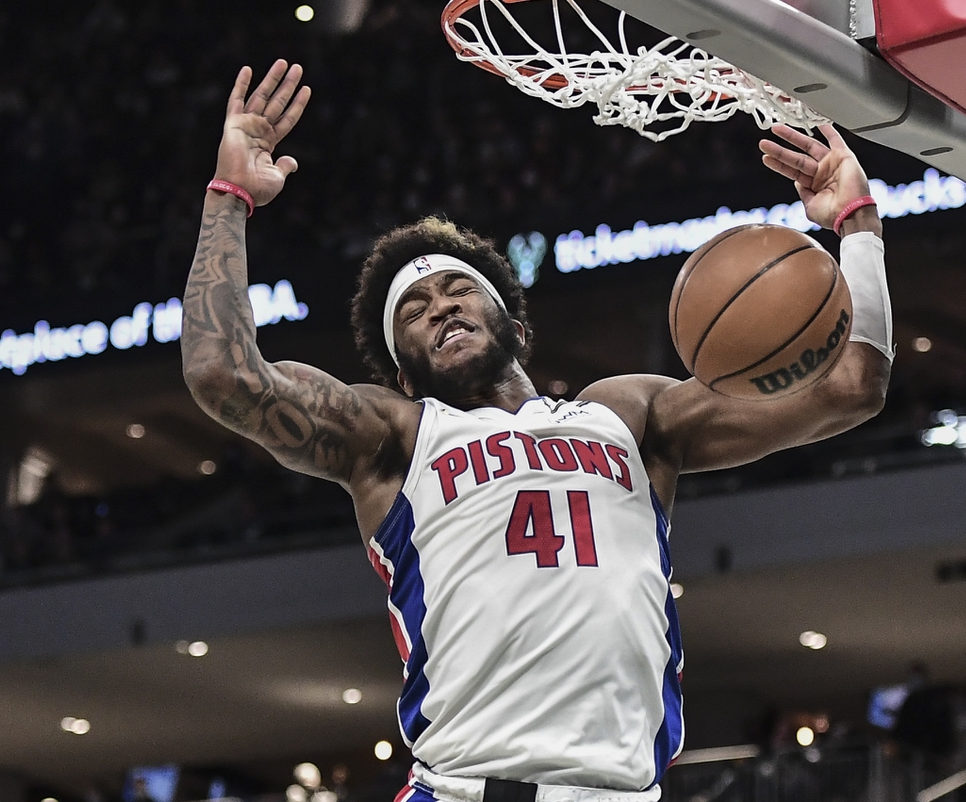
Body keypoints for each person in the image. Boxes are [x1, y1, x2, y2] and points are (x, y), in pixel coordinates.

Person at [182, 60, 893, 801]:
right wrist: (229, 197)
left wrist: (858, 225)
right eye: (414, 310)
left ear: (516, 328)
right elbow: (222, 376)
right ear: (401, 374)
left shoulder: (626, 415)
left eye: (459, 290)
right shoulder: (396, 435)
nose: (440, 308)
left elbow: (852, 388)